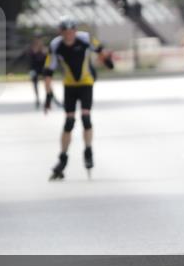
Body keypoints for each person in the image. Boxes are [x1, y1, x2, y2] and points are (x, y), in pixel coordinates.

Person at [43, 17, 114, 180]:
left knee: (86, 118)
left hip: (86, 83)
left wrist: (107, 61)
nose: (69, 35)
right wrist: (48, 95)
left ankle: (88, 150)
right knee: (69, 122)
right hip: (69, 86)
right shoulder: (56, 46)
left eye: (71, 32)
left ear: (75, 31)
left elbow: (99, 49)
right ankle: (62, 159)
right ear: (61, 33)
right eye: (65, 33)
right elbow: (48, 72)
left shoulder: (85, 39)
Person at [14, 37, 48, 110]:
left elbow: (48, 60)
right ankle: (37, 99)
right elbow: (20, 58)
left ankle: (48, 98)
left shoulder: (44, 50)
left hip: (42, 69)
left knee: (47, 82)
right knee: (35, 84)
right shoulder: (30, 50)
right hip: (34, 70)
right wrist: (13, 67)